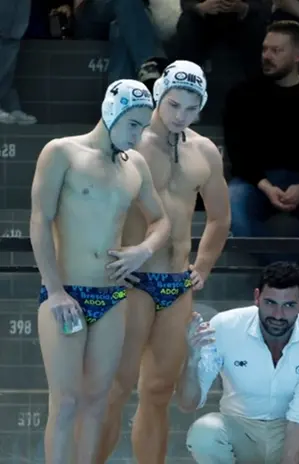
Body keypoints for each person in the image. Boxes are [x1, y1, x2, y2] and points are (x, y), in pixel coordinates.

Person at [30, 79, 171, 463]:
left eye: (144, 126)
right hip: (67, 295)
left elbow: (161, 222)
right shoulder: (62, 153)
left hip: (112, 298)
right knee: (66, 402)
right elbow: (40, 221)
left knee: (97, 402)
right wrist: (54, 289)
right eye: (133, 124)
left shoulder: (136, 165)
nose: (138, 134)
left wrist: (142, 250)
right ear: (113, 112)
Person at [98, 60, 231, 463]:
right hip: (133, 281)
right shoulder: (130, 143)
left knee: (158, 392)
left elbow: (220, 217)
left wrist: (203, 265)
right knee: (118, 388)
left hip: (176, 285)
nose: (181, 116)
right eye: (174, 105)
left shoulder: (204, 150)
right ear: (159, 96)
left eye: (192, 109)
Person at [177, 262, 299, 463]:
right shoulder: (224, 326)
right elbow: (188, 404)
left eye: (288, 305)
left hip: (293, 431)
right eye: (270, 303)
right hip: (239, 429)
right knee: (204, 433)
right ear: (257, 297)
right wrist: (192, 361)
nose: (278, 315)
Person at [225, 21, 299, 243]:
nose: (267, 56)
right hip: (256, 182)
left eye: (276, 51)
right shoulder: (241, 95)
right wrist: (267, 187)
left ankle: (288, 271)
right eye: (265, 49)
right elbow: (237, 153)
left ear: (297, 56)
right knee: (233, 200)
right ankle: (278, 271)